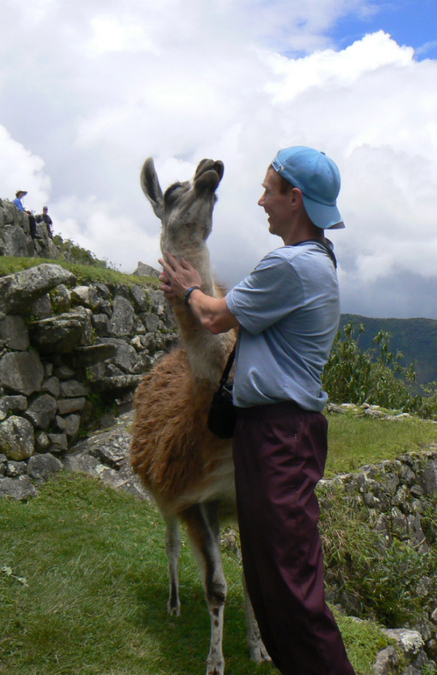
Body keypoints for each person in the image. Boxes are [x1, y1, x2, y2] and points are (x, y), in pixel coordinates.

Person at [159, 146, 355, 675]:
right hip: (270, 433)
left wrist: (188, 289)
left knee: (292, 592)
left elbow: (216, 318)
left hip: (280, 437)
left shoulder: (290, 266)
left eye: (269, 190)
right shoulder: (311, 262)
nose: (261, 200)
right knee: (269, 588)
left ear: (295, 199)